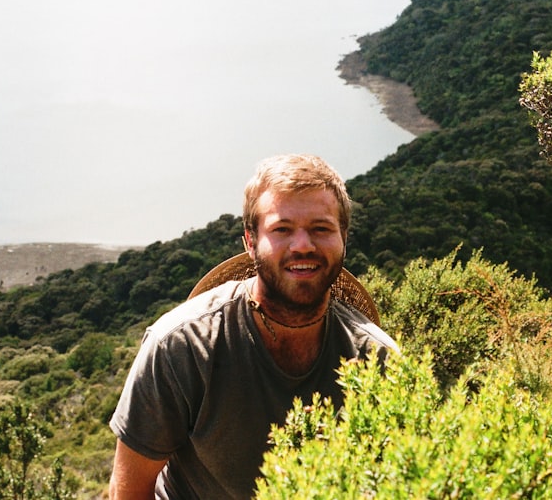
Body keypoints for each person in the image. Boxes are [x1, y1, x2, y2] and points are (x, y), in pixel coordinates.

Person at [108, 154, 397, 499]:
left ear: (343, 239)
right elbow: (129, 490)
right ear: (250, 241)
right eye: (282, 229)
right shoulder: (183, 347)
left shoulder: (377, 361)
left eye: (321, 229)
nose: (303, 245)